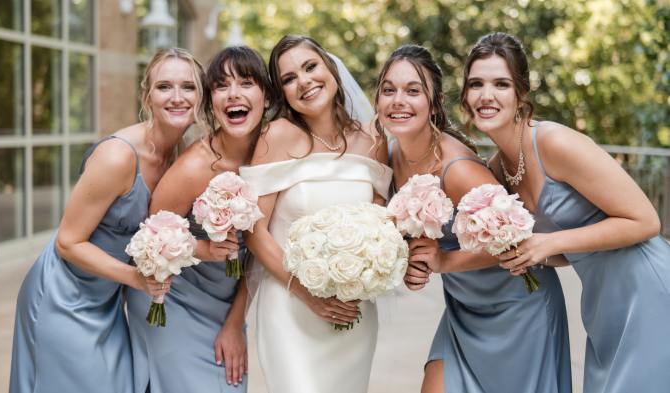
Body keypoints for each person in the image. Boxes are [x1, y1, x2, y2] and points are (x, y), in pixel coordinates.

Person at [462, 32, 670, 393]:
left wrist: (548, 241)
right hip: (603, 306)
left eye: (501, 83)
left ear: (521, 94)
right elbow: (566, 250)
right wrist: (531, 252)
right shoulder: (498, 171)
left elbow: (646, 221)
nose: (486, 95)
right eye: (476, 84)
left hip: (648, 291)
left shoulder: (553, 142)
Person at [9, 48, 204, 393]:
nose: (177, 97)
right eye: (164, 87)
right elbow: (67, 242)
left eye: (188, 87)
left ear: (201, 96)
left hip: (108, 298)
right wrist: (137, 279)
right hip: (63, 294)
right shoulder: (118, 156)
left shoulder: (180, 153)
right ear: (147, 96)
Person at [384, 44, 571, 393]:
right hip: (464, 307)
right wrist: (408, 261)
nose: (398, 100)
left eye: (413, 90)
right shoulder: (388, 154)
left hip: (518, 305)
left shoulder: (458, 169)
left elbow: (516, 239)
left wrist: (442, 260)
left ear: (434, 102)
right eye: (388, 90)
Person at [240, 35, 391, 393]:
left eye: (310, 67)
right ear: (282, 93)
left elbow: (382, 223)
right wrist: (307, 292)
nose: (304, 81)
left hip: (353, 308)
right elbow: (255, 231)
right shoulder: (274, 137)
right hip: (290, 305)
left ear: (331, 70)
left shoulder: (373, 140)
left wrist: (368, 273)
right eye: (289, 78)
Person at [126, 46, 270, 393]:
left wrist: (236, 323)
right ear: (211, 102)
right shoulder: (194, 167)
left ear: (267, 96)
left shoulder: (272, 157)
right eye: (221, 86)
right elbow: (150, 246)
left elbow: (259, 257)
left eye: (247, 82)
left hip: (226, 304)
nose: (234, 93)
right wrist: (206, 249)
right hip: (174, 301)